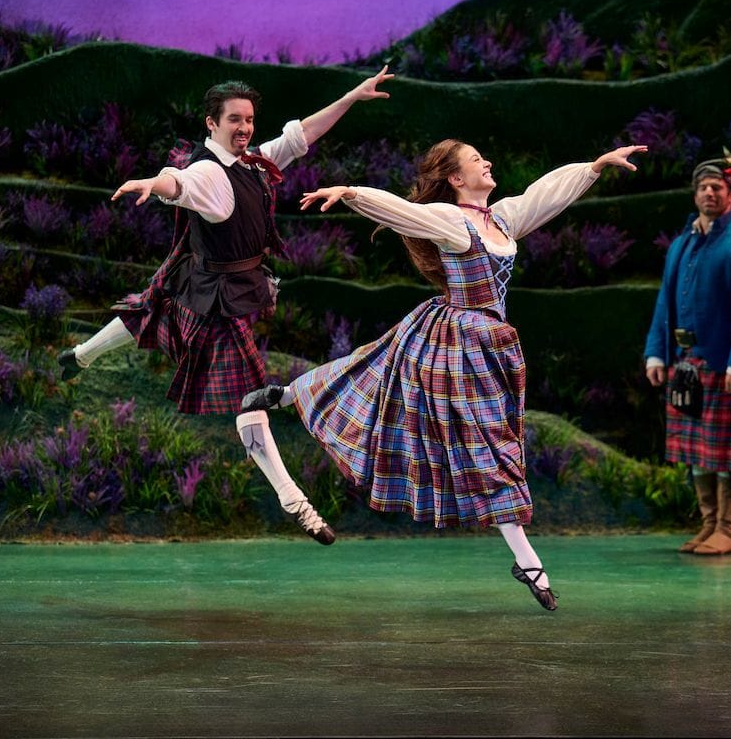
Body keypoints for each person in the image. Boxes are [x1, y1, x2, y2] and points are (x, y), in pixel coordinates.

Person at [237, 139, 647, 610]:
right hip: (459, 346)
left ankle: (286, 394)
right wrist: (354, 193)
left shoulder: (503, 219)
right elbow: (406, 214)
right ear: (455, 179)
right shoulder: (454, 222)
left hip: (493, 345)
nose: (488, 162)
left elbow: (544, 194)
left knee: (391, 381)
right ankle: (528, 561)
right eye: (476, 160)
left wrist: (593, 165)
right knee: (473, 436)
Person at [58, 67, 393, 542]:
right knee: (252, 392)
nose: (245, 128)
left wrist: (352, 97)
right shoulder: (210, 173)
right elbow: (182, 182)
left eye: (250, 119)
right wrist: (155, 183)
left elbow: (299, 136)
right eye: (235, 120)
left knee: (150, 310)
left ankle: (79, 356)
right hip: (215, 297)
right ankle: (293, 500)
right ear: (210, 124)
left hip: (201, 277)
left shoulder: (252, 162)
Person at [643, 146, 731, 555]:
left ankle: (728, 529)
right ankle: (708, 524)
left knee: (727, 453)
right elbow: (665, 299)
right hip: (686, 364)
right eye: (703, 187)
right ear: (695, 194)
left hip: (724, 365)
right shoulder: (682, 243)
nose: (710, 193)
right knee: (698, 452)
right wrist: (656, 353)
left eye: (718, 187)